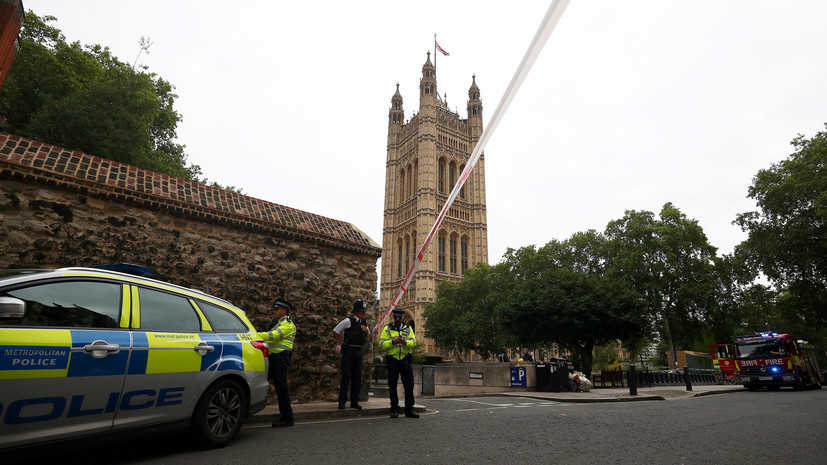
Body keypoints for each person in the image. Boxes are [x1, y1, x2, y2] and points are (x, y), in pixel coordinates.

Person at [258, 298, 296, 427]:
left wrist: (254, 335)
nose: (274, 311)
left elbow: (274, 336)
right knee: (258, 381)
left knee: (281, 389)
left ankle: (287, 418)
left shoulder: (288, 324)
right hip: (273, 358)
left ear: (284, 310)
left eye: (276, 309)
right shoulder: (277, 323)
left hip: (281, 359)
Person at [379, 308, 418, 418]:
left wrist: (405, 342)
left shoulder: (408, 328)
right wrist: (392, 341)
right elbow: (381, 344)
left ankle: (409, 410)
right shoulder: (387, 329)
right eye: (396, 318)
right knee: (392, 386)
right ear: (393, 318)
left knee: (409, 386)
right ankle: (394, 409)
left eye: (400, 318)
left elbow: (414, 342)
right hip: (393, 360)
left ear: (402, 318)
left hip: (405, 359)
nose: (398, 320)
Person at [332, 299, 370, 410]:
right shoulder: (349, 321)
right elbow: (336, 330)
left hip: (359, 351)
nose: (363, 313)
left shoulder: (364, 323)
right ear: (356, 312)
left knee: (357, 377)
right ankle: (342, 402)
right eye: (361, 311)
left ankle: (354, 401)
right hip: (349, 351)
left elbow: (367, 336)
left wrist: (367, 332)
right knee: (346, 376)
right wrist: (342, 342)